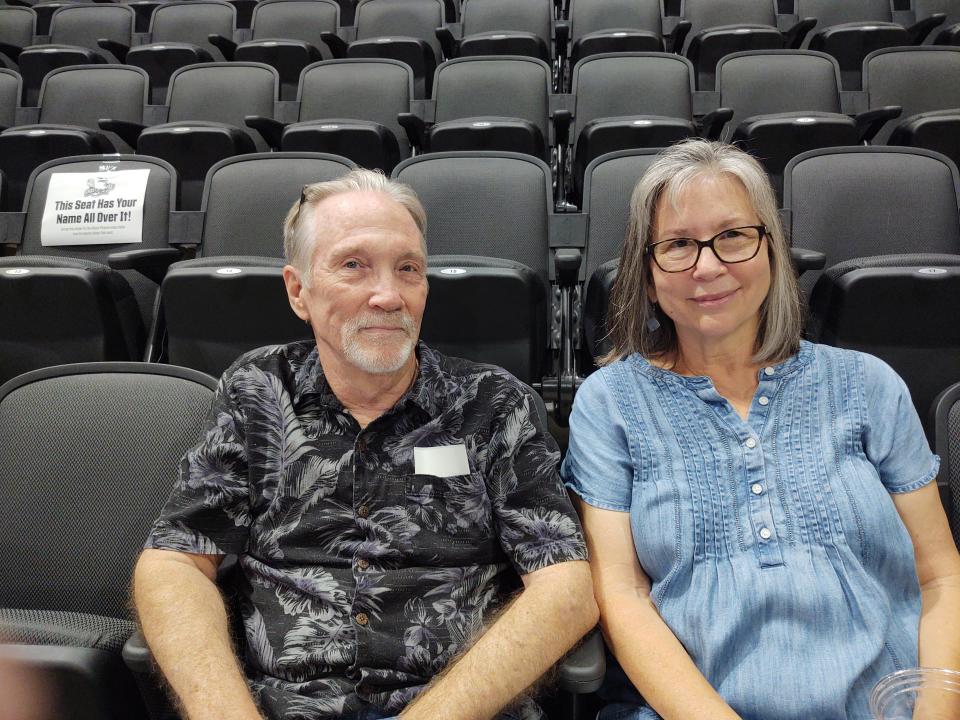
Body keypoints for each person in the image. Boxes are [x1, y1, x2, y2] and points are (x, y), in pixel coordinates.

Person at [134, 170, 598, 720]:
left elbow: (564, 586)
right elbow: (177, 561)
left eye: (408, 269)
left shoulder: (493, 404)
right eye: (354, 265)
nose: (387, 295)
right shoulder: (259, 389)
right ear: (298, 290)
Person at [562, 139, 960, 720]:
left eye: (733, 237)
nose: (707, 266)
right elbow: (621, 596)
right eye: (677, 245)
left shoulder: (868, 384)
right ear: (647, 277)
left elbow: (940, 574)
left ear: (772, 251)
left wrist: (937, 706)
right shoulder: (611, 403)